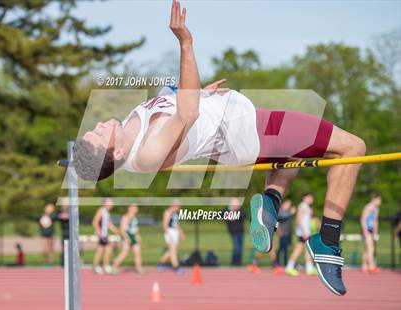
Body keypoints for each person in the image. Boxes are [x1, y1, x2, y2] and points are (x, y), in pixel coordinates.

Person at [72, 0, 366, 296]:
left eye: (92, 131)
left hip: (239, 132)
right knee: (352, 147)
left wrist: (199, 92)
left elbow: (171, 102)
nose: (97, 126)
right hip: (249, 127)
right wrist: (186, 42)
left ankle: (271, 202)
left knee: (292, 156)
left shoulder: (124, 130)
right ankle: (328, 242)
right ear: (118, 154)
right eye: (98, 136)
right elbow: (187, 114)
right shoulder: (145, 153)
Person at [285, 193, 317, 276]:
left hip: (306, 232)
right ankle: (289, 267)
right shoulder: (302, 206)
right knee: (298, 250)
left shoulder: (306, 207)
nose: (311, 199)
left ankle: (309, 268)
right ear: (304, 198)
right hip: (303, 232)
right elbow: (298, 219)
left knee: (308, 250)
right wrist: (304, 231)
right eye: (309, 197)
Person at [112, 204, 144, 274]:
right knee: (124, 253)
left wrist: (138, 236)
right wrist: (127, 238)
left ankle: (139, 268)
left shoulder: (135, 218)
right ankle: (114, 266)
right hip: (127, 236)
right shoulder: (125, 217)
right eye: (135, 207)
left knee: (137, 253)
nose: (136, 209)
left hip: (133, 236)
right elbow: (122, 229)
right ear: (130, 208)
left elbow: (135, 229)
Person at [92, 198, 119, 274]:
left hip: (104, 234)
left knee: (100, 250)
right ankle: (105, 266)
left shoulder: (107, 213)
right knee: (108, 248)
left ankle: (96, 266)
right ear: (105, 204)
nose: (112, 205)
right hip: (102, 235)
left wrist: (116, 231)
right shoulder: (101, 211)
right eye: (110, 203)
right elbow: (95, 222)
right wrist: (99, 233)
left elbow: (109, 224)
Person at [158, 199, 185, 272]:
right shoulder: (168, 212)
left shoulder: (175, 213)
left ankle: (161, 262)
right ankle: (176, 267)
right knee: (173, 250)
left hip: (175, 232)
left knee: (173, 250)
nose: (179, 208)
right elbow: (165, 225)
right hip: (170, 232)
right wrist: (169, 234)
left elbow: (176, 224)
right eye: (178, 206)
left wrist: (181, 233)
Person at [361, 193, 381, 273]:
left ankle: (364, 266)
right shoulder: (369, 207)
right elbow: (363, 219)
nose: (380, 202)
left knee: (367, 249)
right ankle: (371, 266)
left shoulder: (376, 209)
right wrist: (365, 230)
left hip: (371, 230)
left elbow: (375, 221)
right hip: (366, 229)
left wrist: (375, 231)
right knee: (370, 248)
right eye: (379, 200)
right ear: (374, 199)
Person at [224, 198, 245, 266]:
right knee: (236, 247)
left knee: (240, 248)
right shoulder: (227, 210)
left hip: (241, 231)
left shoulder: (240, 210)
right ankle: (234, 262)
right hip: (233, 232)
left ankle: (238, 262)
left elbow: (243, 216)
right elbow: (224, 216)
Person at [275, 199, 295, 267]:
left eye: (290, 204)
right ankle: (276, 262)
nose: (289, 206)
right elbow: (280, 219)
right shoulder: (281, 211)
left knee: (286, 249)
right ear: (284, 203)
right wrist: (291, 214)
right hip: (282, 233)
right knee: (281, 248)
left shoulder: (287, 212)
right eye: (287, 204)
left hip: (288, 233)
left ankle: (285, 263)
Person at [57, 198, 70, 267]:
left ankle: (72, 261)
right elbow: (58, 217)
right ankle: (63, 263)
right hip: (64, 231)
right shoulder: (60, 210)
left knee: (72, 247)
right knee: (64, 247)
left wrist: (66, 216)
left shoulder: (71, 210)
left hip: (71, 231)